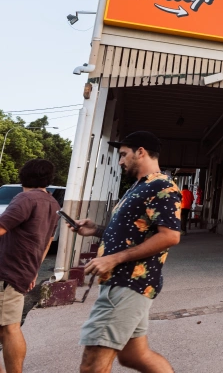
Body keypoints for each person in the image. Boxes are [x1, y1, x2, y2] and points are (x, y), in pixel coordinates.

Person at [71, 131, 181, 373]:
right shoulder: (139, 187)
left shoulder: (162, 186)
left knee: (92, 364)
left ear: (141, 151)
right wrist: (96, 230)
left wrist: (115, 258)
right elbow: (132, 231)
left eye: (123, 154)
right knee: (135, 356)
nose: (120, 161)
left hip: (129, 282)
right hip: (123, 283)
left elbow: (170, 235)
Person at [0, 159, 60, 373]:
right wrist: (34, 270)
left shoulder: (25, 198)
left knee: (9, 329)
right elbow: (46, 242)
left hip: (5, 272)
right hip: (22, 271)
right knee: (9, 328)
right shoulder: (52, 203)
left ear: (23, 175)